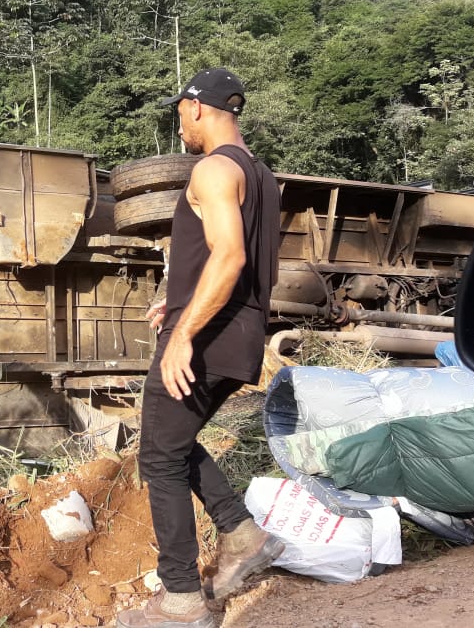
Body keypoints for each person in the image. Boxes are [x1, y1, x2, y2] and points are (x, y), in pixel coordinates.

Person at [117, 69, 284, 628]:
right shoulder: (259, 175)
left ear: (195, 108)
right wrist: (179, 300)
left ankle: (183, 602)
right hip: (243, 334)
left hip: (208, 338)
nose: (179, 128)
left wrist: (183, 334)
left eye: (178, 114)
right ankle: (243, 536)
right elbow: (230, 261)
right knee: (177, 441)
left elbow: (230, 257)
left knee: (159, 458)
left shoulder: (212, 169)